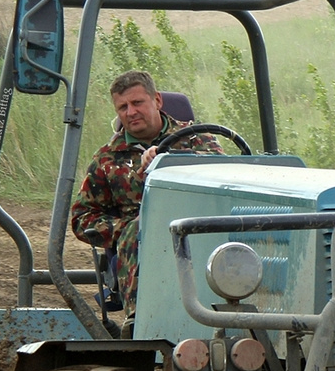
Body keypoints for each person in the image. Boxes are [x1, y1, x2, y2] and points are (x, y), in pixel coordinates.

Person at [71, 70, 222, 311]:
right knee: (140, 226)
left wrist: (170, 159)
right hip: (142, 243)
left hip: (200, 228)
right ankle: (140, 319)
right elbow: (82, 218)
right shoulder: (107, 159)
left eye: (137, 102)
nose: (130, 112)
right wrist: (131, 226)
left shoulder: (198, 139)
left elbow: (225, 171)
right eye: (123, 107)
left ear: (157, 101)